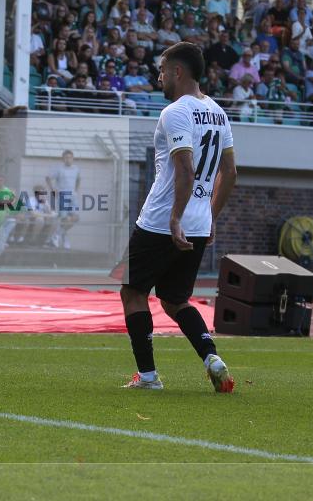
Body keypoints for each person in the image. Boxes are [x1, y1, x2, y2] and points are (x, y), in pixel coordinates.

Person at [116, 42, 237, 392]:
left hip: (161, 220)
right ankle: (210, 356)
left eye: (162, 70)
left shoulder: (175, 112)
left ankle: (148, 377)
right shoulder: (218, 112)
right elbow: (229, 173)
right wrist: (209, 216)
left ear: (178, 72)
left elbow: (185, 169)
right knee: (174, 298)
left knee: (132, 291)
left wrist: (174, 218)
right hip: (198, 222)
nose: (159, 76)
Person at [45, 150, 80, 250]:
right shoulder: (59, 169)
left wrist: (76, 191)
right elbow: (48, 178)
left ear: (73, 158)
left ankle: (57, 235)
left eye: (70, 157)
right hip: (63, 195)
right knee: (64, 219)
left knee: (75, 218)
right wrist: (53, 190)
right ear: (63, 159)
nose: (68, 159)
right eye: (66, 157)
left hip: (73, 196)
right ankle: (63, 238)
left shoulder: (76, 169)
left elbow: (78, 179)